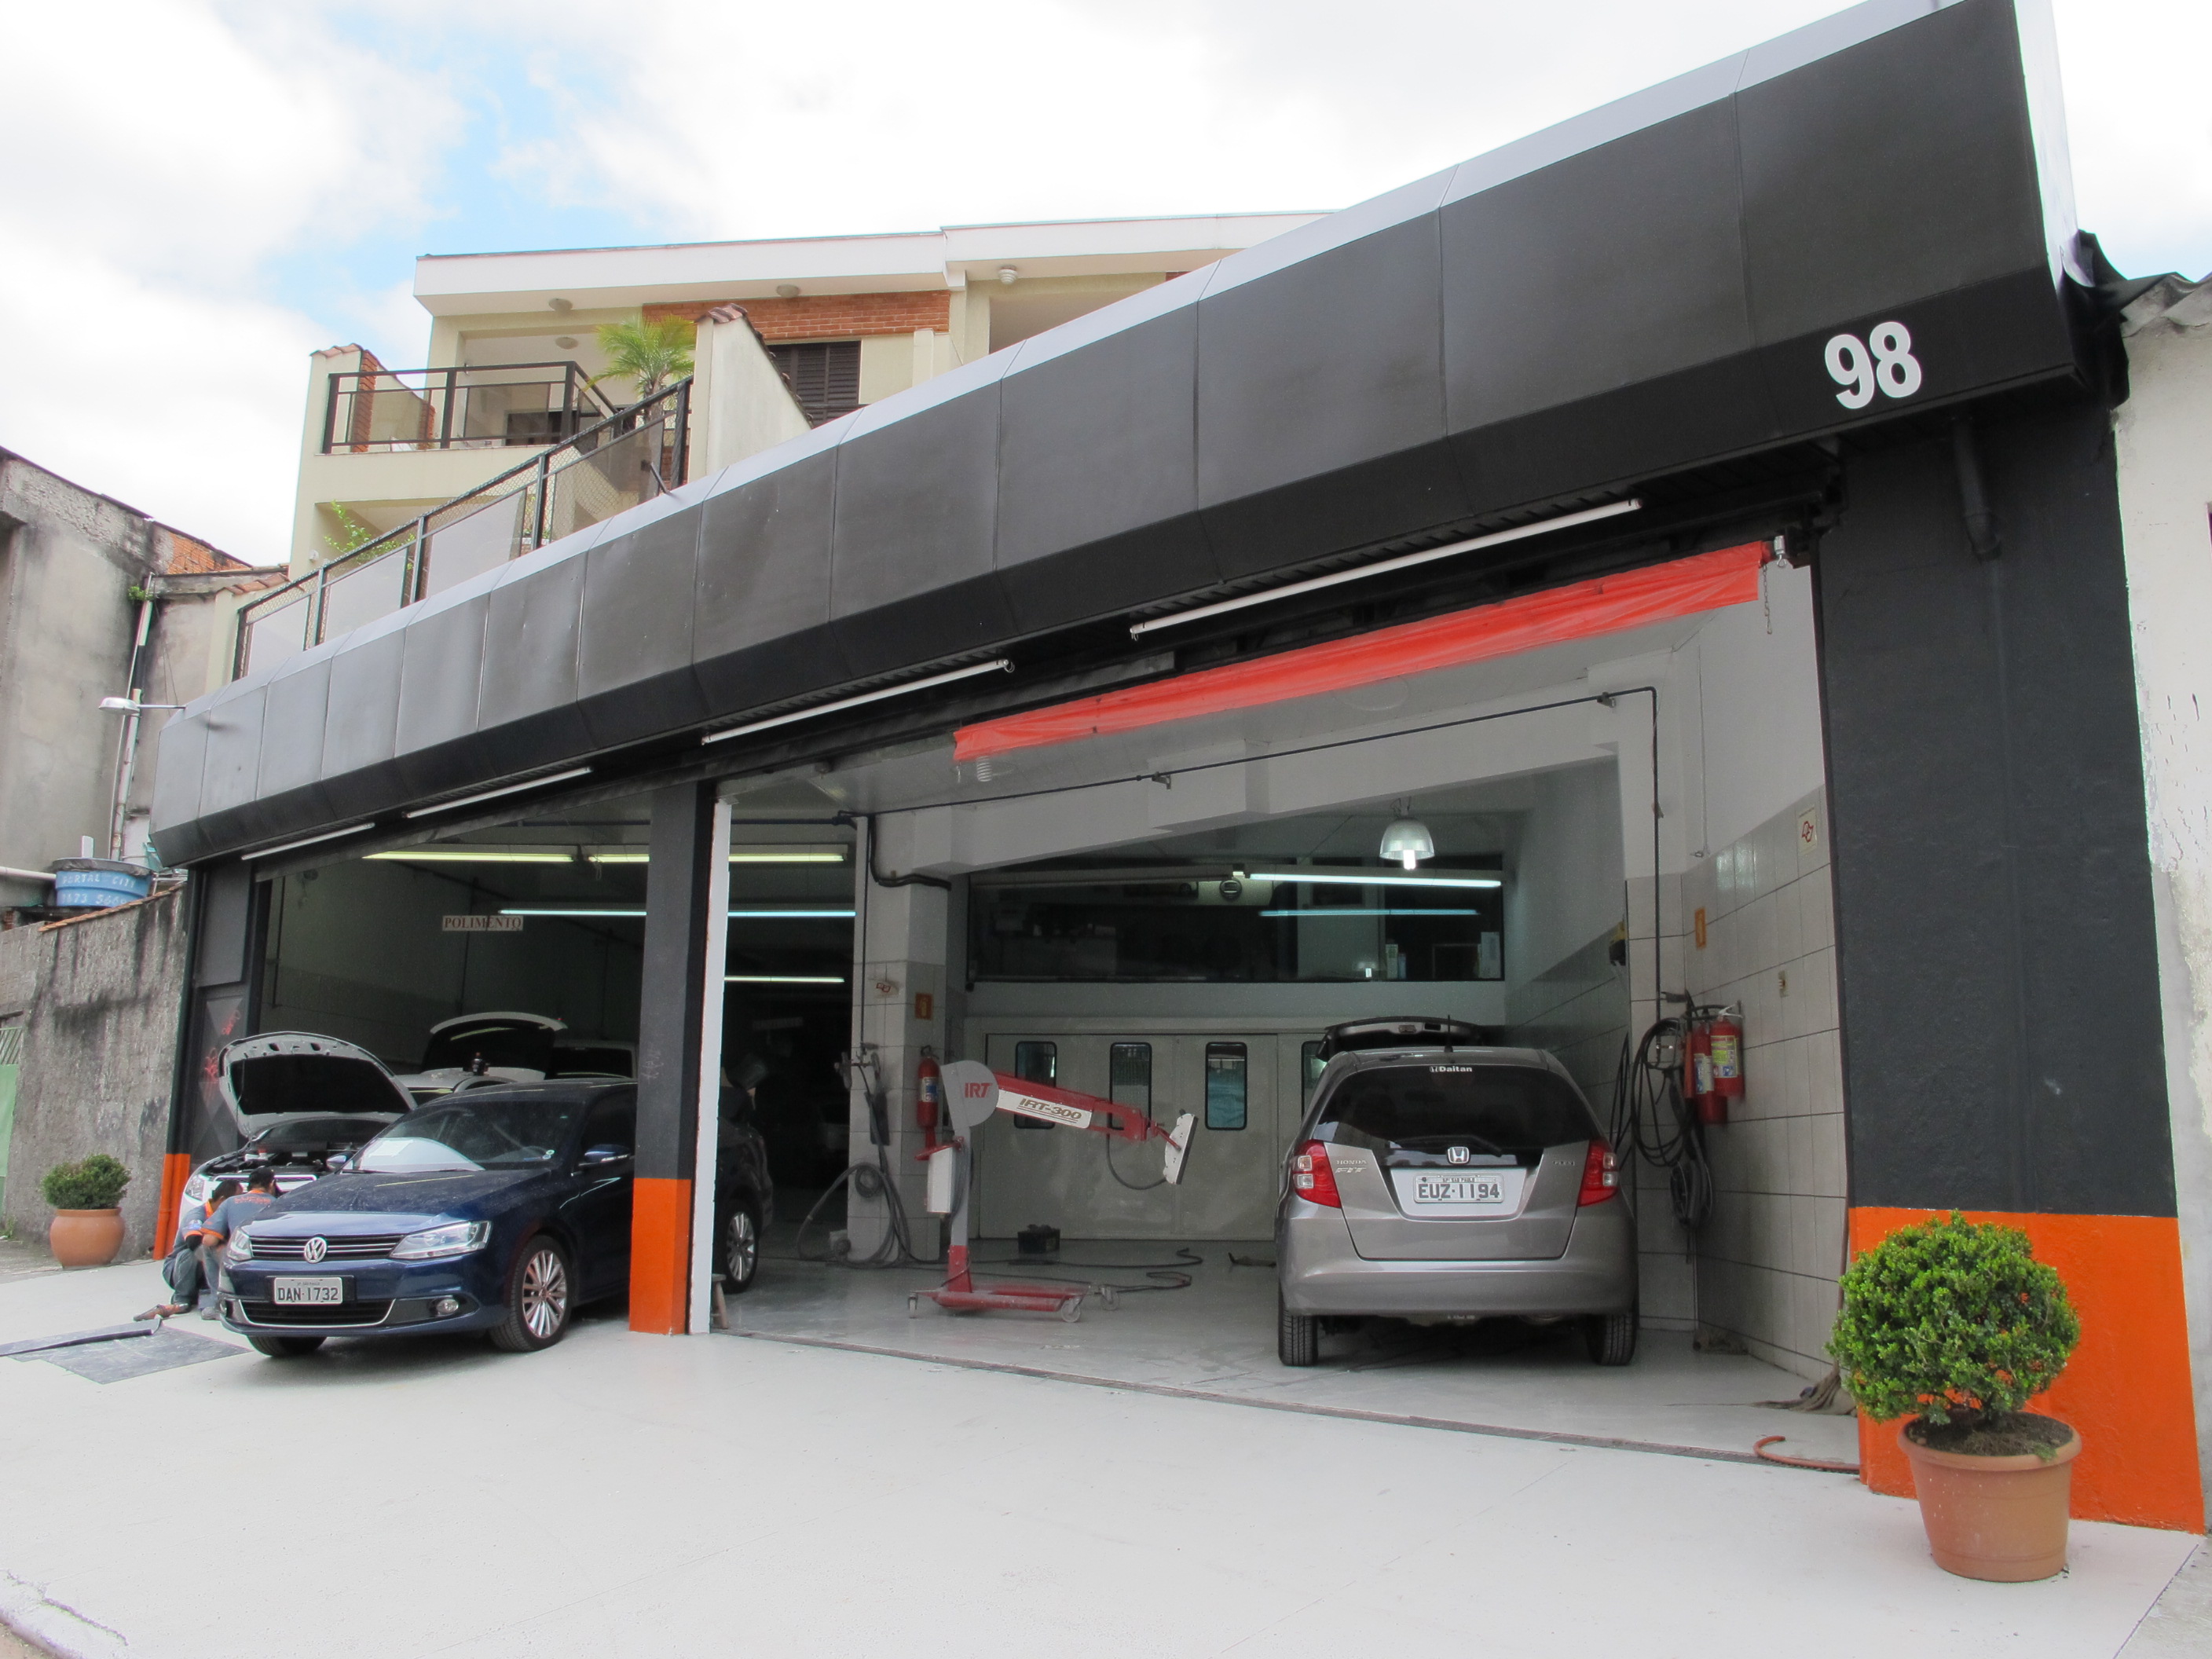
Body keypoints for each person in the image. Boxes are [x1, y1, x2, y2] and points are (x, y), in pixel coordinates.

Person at [137, 1166, 278, 1320]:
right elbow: (194, 1242)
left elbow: (211, 1241)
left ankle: (211, 1300)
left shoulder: (230, 1205)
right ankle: (182, 1298)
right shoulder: (197, 1214)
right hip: (181, 1268)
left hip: (212, 1269)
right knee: (194, 1252)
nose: (242, 1200)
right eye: (239, 1196)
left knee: (213, 1248)